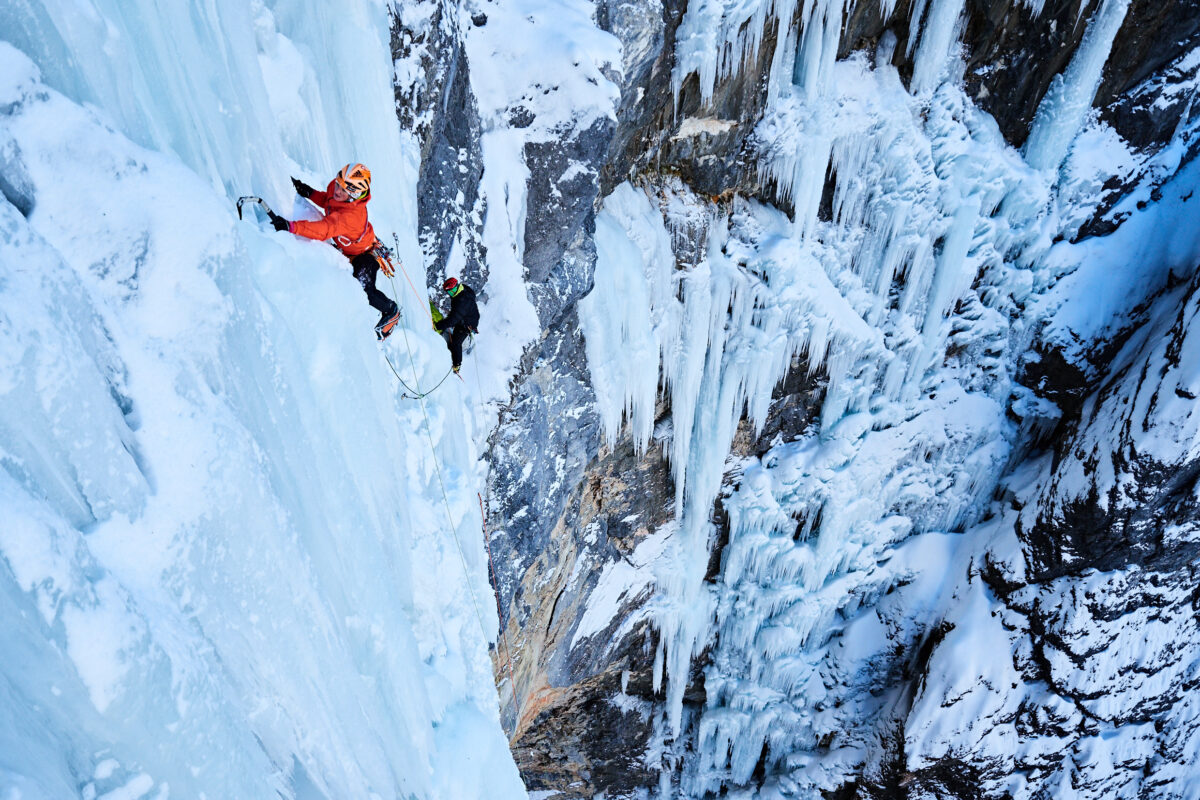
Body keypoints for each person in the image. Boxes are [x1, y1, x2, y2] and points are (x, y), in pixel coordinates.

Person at [268, 163, 400, 339]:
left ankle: (391, 310)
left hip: (364, 255)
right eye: (338, 184)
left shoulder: (350, 217)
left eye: (343, 190)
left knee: (363, 289)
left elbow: (324, 230)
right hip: (348, 247)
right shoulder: (338, 188)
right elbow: (328, 201)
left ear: (354, 195)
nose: (337, 189)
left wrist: (291, 226)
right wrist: (309, 192)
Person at [434, 277, 479, 373]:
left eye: (453, 290)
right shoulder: (463, 289)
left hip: (467, 324)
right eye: (449, 292)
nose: (452, 293)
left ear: (457, 286)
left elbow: (452, 320)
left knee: (455, 343)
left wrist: (438, 326)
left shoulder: (462, 302)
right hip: (469, 317)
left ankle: (457, 365)